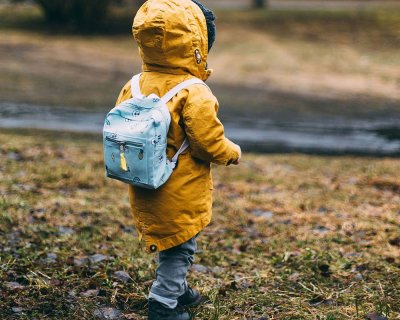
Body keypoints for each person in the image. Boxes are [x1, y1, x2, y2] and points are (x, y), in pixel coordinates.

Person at [115, 0, 241, 319]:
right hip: (179, 187)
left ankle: (179, 289)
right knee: (181, 247)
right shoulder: (193, 91)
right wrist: (232, 152)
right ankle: (164, 301)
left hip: (143, 181)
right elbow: (207, 143)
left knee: (172, 242)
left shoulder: (134, 85)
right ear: (196, 46)